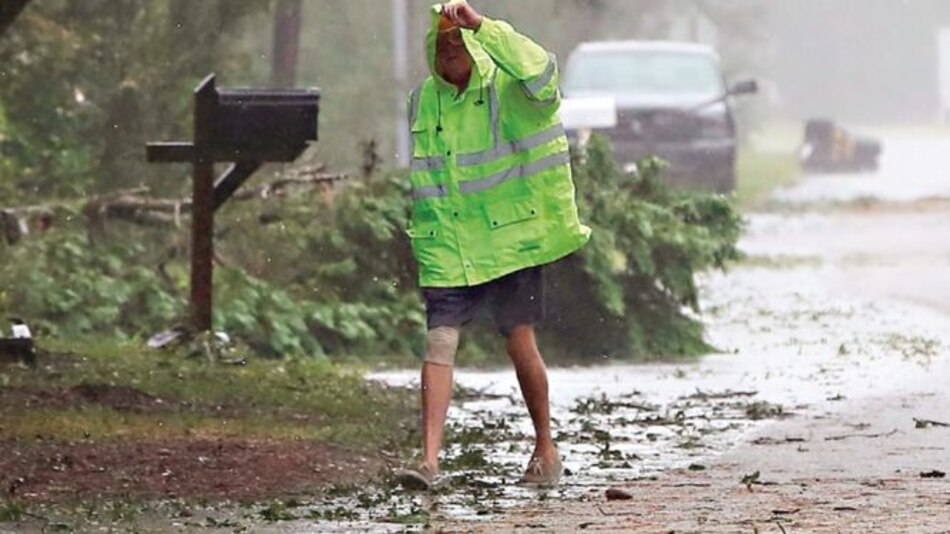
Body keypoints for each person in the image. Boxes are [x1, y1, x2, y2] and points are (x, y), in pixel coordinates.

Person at [396, 0, 590, 490]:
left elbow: (544, 76)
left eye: (459, 40)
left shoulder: (508, 88)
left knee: (519, 342)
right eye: (442, 43)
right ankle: (429, 461)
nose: (451, 49)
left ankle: (545, 446)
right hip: (448, 244)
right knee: (439, 341)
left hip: (509, 241)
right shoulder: (422, 100)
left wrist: (483, 25)